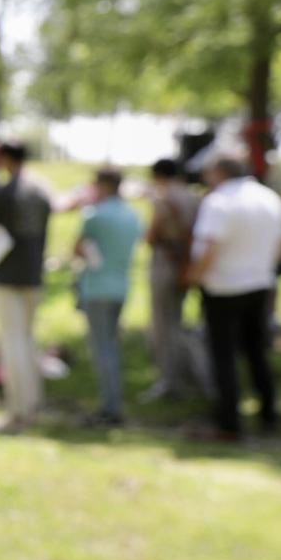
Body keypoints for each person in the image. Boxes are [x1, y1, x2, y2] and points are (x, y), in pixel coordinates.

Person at [186, 155, 281, 440]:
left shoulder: (218, 202)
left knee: (223, 356)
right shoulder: (270, 198)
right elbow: (280, 250)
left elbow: (210, 248)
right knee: (258, 351)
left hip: (223, 287)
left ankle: (228, 422)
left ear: (219, 172)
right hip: (260, 284)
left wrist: (193, 277)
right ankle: (269, 414)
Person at [0, 141, 52, 431]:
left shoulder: (3, 191)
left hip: (7, 276)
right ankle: (33, 402)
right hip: (33, 274)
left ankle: (19, 410)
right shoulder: (41, 190)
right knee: (26, 337)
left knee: (13, 343)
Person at [74, 169, 142, 427]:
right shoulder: (132, 215)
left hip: (97, 288)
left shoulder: (95, 215)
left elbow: (79, 248)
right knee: (110, 346)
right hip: (121, 287)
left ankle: (110, 408)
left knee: (103, 349)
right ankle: (111, 404)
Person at [143, 159, 205, 400]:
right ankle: (191, 375)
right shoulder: (195, 197)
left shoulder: (163, 198)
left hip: (165, 262)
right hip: (187, 265)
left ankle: (170, 381)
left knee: (163, 325)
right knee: (179, 322)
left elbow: (151, 236)